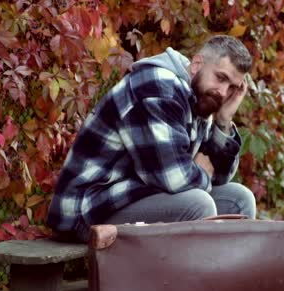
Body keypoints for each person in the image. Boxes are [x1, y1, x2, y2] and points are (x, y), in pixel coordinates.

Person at [47, 35, 256, 242]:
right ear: (196, 64)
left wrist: (224, 120)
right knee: (199, 204)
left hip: (134, 198)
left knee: (240, 200)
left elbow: (219, 177)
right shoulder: (158, 87)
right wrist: (200, 172)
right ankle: (189, 276)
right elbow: (175, 179)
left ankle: (226, 275)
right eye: (221, 78)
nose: (223, 92)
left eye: (232, 87)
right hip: (87, 212)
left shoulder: (203, 98)